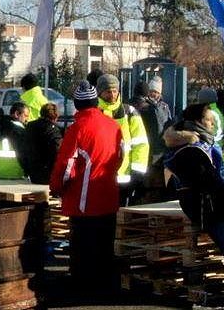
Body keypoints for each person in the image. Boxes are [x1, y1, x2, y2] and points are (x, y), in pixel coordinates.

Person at [163, 103, 224, 303]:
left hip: (223, 203)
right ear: (197, 122)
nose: (213, 123)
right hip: (209, 207)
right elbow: (205, 181)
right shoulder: (190, 149)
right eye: (209, 119)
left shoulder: (207, 143)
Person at [49, 80, 123, 294]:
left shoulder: (77, 129)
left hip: (84, 199)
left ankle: (83, 286)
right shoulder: (113, 125)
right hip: (109, 193)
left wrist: (57, 187)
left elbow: (66, 166)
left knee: (83, 246)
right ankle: (105, 284)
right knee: (104, 244)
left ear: (77, 105)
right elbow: (119, 157)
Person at [96, 74, 149, 205]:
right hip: (98, 178)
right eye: (108, 91)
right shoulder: (95, 112)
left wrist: (137, 172)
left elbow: (141, 144)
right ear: (100, 92)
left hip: (124, 178)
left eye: (115, 91)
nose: (112, 95)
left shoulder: (129, 112)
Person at [0, 102, 30, 179]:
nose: (27, 119)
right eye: (26, 116)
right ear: (17, 114)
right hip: (16, 175)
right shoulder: (20, 131)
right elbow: (24, 157)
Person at [25, 103, 62, 184]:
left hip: (32, 172)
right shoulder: (54, 131)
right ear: (55, 116)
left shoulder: (30, 126)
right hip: (48, 174)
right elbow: (57, 152)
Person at [145, 76, 173, 161]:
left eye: (156, 92)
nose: (153, 94)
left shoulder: (164, 106)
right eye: (151, 91)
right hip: (149, 145)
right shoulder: (145, 106)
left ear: (159, 93)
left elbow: (169, 123)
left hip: (162, 147)